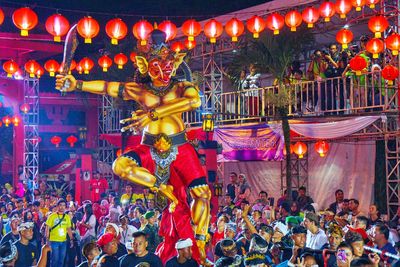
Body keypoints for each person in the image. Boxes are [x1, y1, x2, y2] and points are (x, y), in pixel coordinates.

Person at [56, 31, 211, 264]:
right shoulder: (139, 90)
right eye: (158, 65)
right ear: (145, 65)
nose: (165, 71)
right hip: (148, 147)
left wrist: (154, 113)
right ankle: (162, 188)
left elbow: (194, 101)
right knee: (120, 165)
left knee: (203, 193)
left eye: (169, 64)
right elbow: (108, 87)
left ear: (175, 64)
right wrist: (77, 83)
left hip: (180, 147)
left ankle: (199, 245)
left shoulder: (182, 87)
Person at [45, 199, 74, 267]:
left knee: (61, 261)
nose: (62, 207)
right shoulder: (52, 216)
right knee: (55, 260)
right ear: (57, 206)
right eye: (60, 205)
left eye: (64, 205)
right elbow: (47, 228)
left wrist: (71, 239)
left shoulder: (67, 217)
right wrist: (47, 239)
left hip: (64, 241)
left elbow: (68, 229)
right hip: (54, 241)